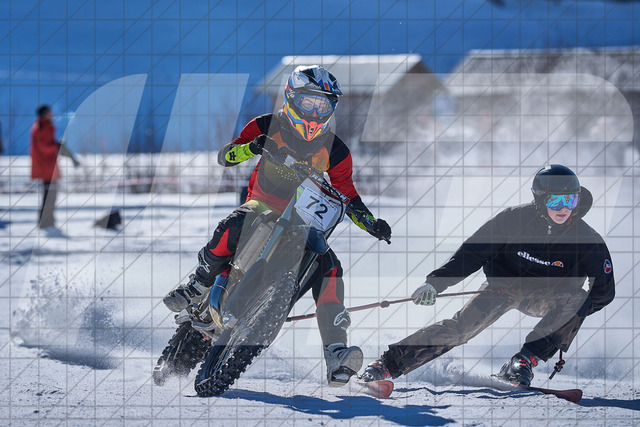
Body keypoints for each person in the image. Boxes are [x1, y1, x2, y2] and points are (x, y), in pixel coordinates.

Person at [163, 65, 392, 386]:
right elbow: (225, 156)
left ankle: (336, 351)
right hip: (262, 205)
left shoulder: (336, 149)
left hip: (303, 219)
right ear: (292, 98)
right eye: (309, 103)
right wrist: (252, 147)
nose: (315, 112)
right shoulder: (268, 125)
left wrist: (371, 223)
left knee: (330, 266)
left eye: (323, 106)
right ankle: (198, 284)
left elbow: (347, 193)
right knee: (236, 223)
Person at [362, 164, 615, 387]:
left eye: (570, 200)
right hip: (504, 288)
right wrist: (434, 284)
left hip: (548, 297)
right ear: (540, 200)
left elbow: (603, 293)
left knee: (579, 300)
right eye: (556, 201)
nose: (564, 208)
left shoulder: (587, 240)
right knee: (461, 328)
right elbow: (471, 255)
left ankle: (524, 361)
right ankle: (387, 364)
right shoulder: (512, 220)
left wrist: (569, 316)